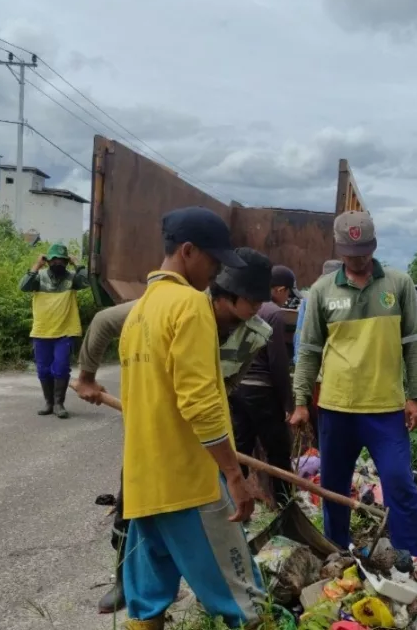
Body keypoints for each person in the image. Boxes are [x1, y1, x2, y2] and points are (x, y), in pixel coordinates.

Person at [74, 246, 274, 616]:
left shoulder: (255, 333)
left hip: (203, 442)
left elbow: (222, 389)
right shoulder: (176, 305)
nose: (257, 311)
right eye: (253, 302)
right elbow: (103, 322)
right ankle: (123, 582)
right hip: (163, 447)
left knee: (179, 542)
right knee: (140, 520)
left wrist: (220, 446)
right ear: (229, 294)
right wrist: (86, 377)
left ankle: (191, 588)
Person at [117, 206, 263, 630]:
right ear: (187, 251)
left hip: (145, 481)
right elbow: (199, 402)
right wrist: (234, 475)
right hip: (188, 483)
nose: (217, 271)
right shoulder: (190, 305)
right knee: (244, 600)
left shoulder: (141, 311)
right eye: (214, 260)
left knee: (147, 605)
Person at [290, 211, 417, 558]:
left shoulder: (398, 284)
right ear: (339, 249)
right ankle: (337, 548)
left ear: (374, 245)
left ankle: (411, 554)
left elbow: (413, 343)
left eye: (365, 251)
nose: (359, 260)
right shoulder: (322, 291)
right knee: (334, 485)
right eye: (352, 254)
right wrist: (299, 401)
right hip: (337, 408)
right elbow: (308, 350)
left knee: (398, 480)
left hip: (384, 409)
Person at [231, 264, 301, 505]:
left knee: (240, 447)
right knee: (278, 450)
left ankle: (231, 499)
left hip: (237, 388)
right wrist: (288, 404)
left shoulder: (240, 305)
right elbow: (278, 363)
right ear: (280, 289)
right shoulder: (272, 312)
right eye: (288, 293)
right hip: (262, 390)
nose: (287, 299)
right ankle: (284, 504)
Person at [19, 243, 89, 419]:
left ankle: (59, 403)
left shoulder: (72, 278)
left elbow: (88, 280)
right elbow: (23, 286)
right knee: (43, 369)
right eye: (54, 260)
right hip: (42, 331)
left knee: (61, 368)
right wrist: (37, 265)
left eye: (62, 260)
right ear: (48, 261)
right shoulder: (39, 278)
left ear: (66, 262)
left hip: (65, 331)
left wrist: (77, 263)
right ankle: (49, 402)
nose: (58, 263)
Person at [292, 259, 343, 446]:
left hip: (316, 375)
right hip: (325, 376)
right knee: (329, 428)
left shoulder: (311, 296)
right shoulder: (322, 297)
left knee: (322, 426)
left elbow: (300, 342)